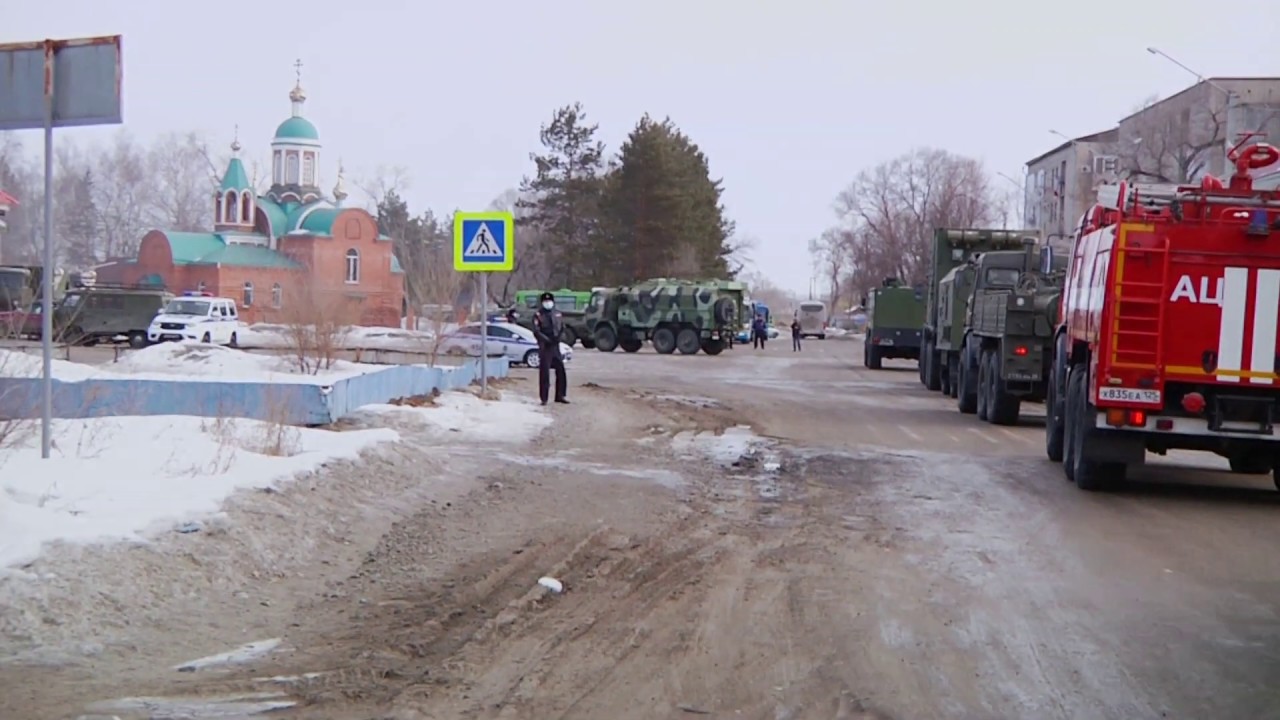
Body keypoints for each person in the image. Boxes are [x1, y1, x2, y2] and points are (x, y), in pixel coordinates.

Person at [531, 291, 569, 405]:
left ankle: (560, 395)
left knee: (561, 370)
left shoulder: (557, 313)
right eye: (546, 301)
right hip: (545, 346)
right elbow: (536, 331)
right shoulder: (538, 315)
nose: (548, 303)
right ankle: (544, 398)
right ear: (542, 302)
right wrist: (546, 340)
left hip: (555, 345)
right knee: (545, 373)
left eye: (550, 301)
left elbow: (562, 327)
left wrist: (559, 337)